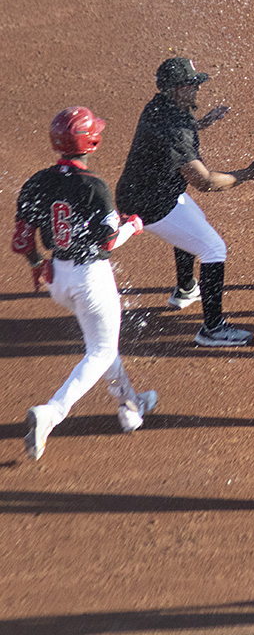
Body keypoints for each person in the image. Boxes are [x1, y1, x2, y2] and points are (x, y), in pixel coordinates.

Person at [13, 107, 157, 460]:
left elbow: (21, 239)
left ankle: (130, 405)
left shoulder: (38, 181)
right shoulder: (94, 187)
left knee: (101, 342)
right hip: (90, 279)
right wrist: (133, 225)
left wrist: (37, 264)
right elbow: (108, 242)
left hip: (58, 278)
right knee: (102, 350)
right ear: (90, 142)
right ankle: (51, 413)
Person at [116, 57, 254, 347]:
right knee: (214, 247)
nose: (197, 90)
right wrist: (248, 173)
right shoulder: (174, 128)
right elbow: (204, 182)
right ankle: (213, 329)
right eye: (192, 85)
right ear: (176, 90)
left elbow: (178, 132)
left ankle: (185, 289)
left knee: (194, 223)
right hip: (150, 203)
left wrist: (203, 123)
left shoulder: (159, 106)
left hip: (150, 191)